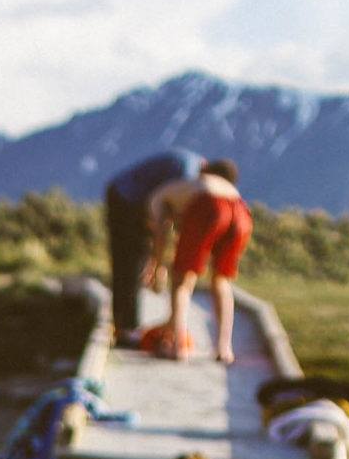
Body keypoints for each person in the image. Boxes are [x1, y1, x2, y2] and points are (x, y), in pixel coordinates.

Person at [145, 160, 252, 364]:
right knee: (221, 280)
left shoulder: (159, 195)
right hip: (240, 210)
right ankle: (224, 348)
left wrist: (157, 267)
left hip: (208, 206)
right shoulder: (210, 185)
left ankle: (178, 348)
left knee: (181, 282)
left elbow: (161, 234)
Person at [103, 148, 204, 345]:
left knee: (133, 260)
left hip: (128, 195)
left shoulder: (190, 165)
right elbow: (163, 224)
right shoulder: (187, 177)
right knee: (130, 261)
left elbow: (166, 221)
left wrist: (156, 262)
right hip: (126, 199)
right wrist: (157, 266)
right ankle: (127, 330)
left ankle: (124, 326)